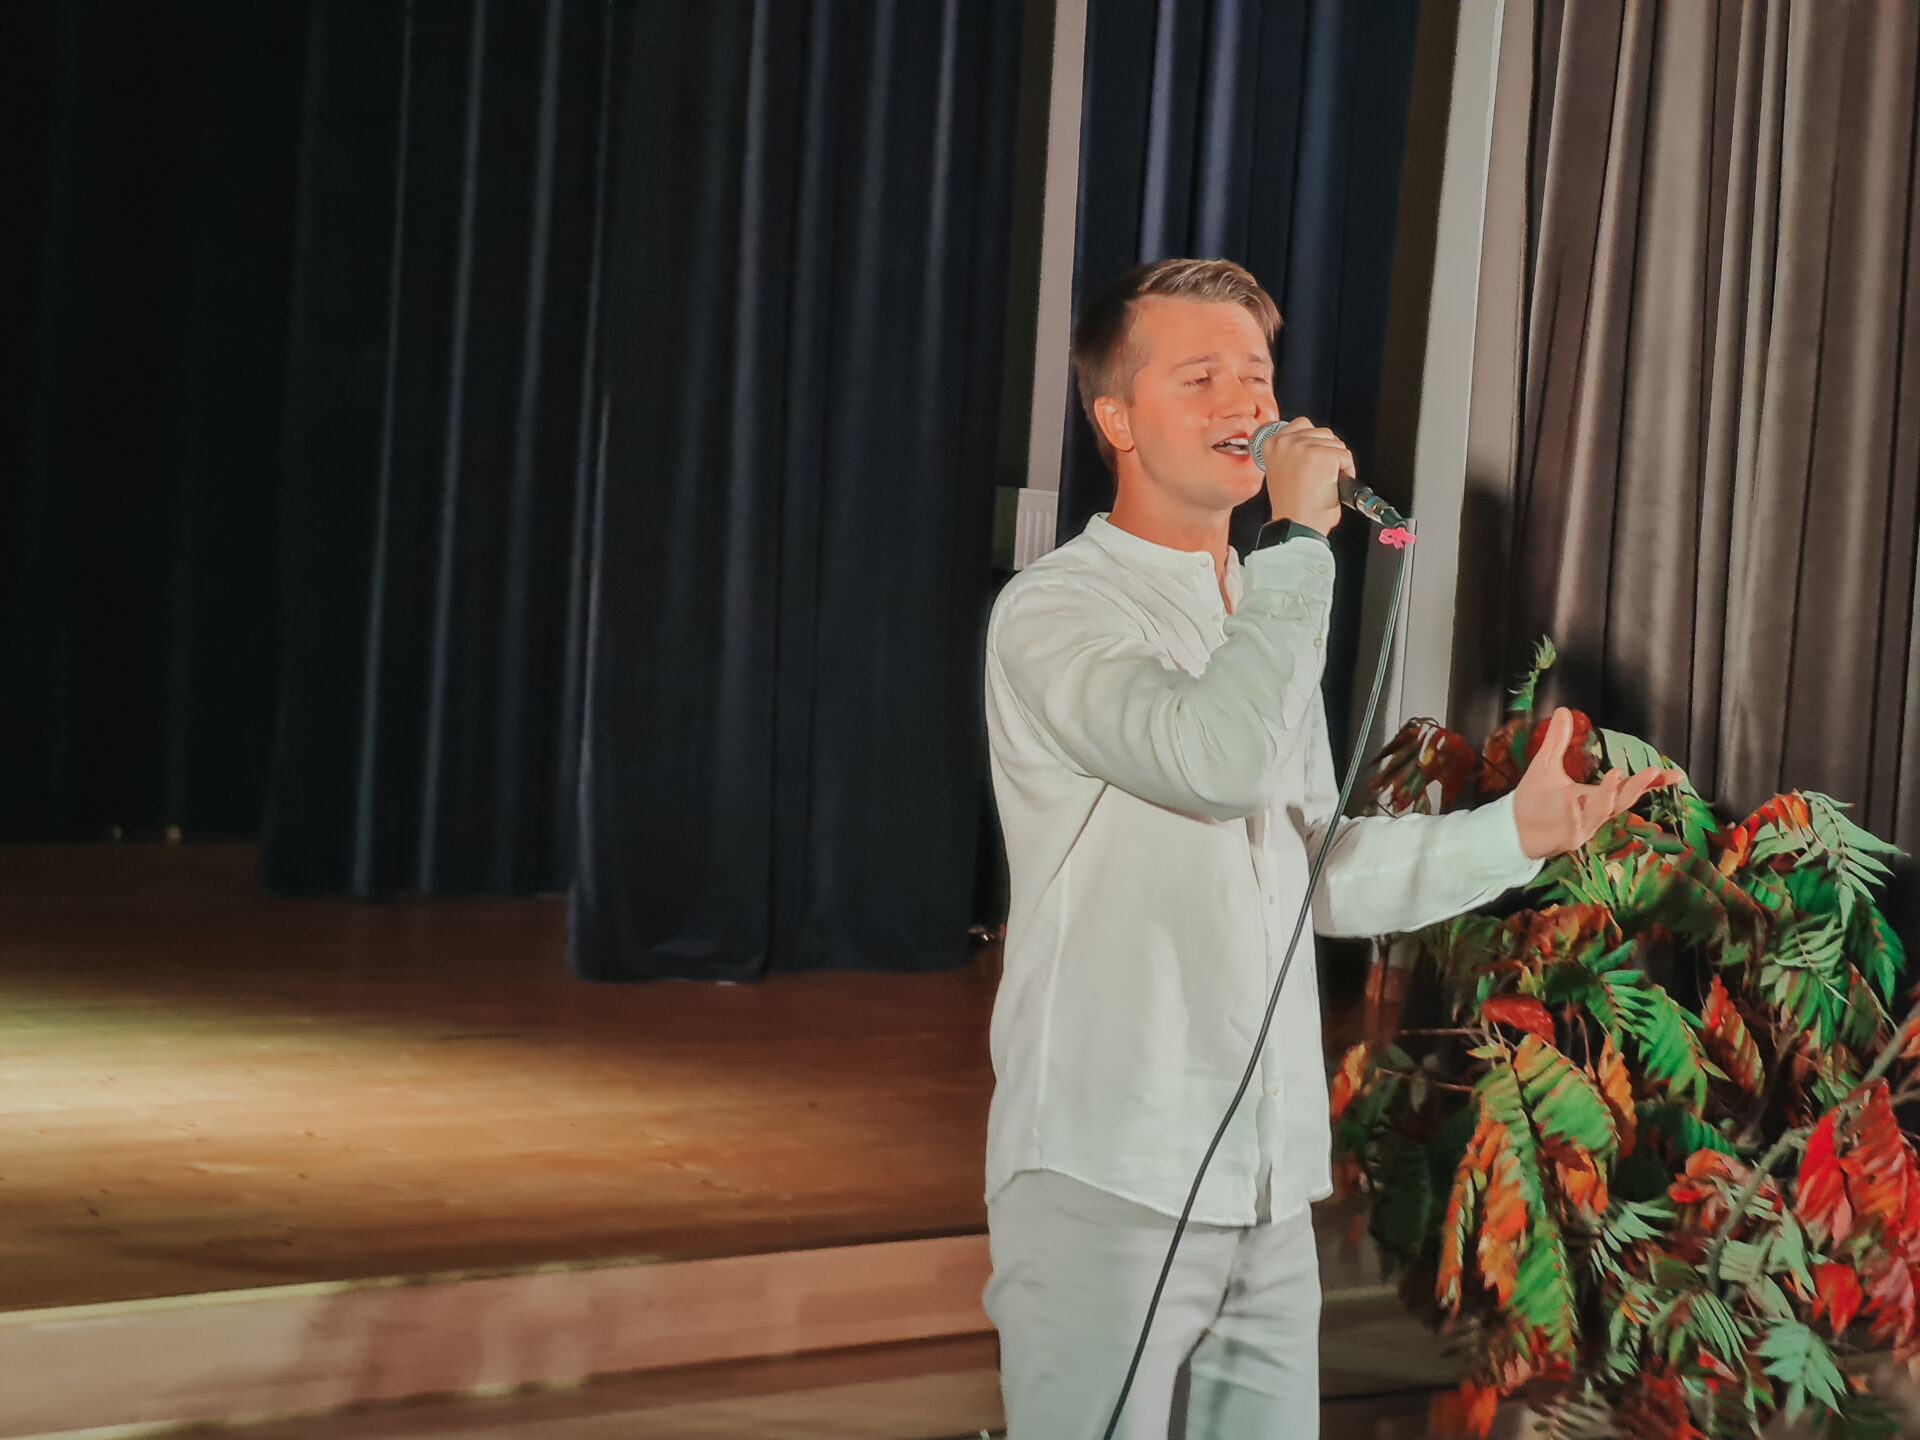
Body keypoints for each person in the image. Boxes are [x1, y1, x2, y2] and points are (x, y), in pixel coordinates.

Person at [980, 258, 1676, 1440]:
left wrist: (1515, 834)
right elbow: (1214, 763)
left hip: (1265, 1173)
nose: (1247, 403)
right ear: (1117, 420)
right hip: (1111, 1168)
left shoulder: (1260, 605)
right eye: (1201, 377)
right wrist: (1299, 542)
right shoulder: (1058, 611)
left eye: (1257, 375)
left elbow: (1314, 870)